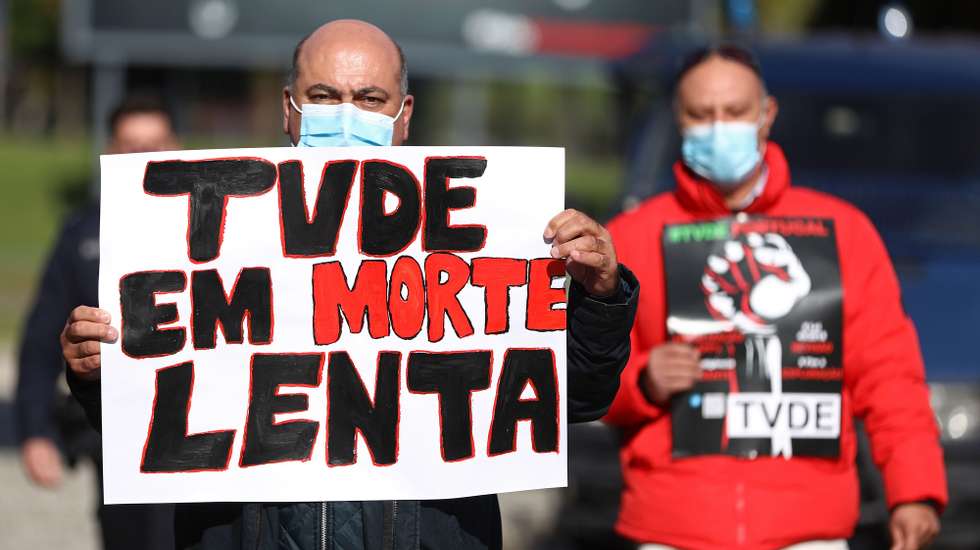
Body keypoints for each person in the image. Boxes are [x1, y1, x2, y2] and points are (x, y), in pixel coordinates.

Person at [60, 19, 639, 550]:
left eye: (368, 99)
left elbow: (583, 397)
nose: (345, 114)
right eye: (323, 97)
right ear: (289, 109)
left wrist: (599, 298)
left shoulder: (488, 229)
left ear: (403, 114)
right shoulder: (202, 228)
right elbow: (155, 423)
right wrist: (96, 374)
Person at [603, 44, 946, 550]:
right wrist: (641, 381)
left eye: (736, 111)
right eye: (702, 114)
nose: (720, 127)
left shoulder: (844, 232)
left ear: (767, 115)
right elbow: (577, 377)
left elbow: (889, 373)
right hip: (673, 524)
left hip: (810, 529)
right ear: (679, 120)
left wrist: (914, 490)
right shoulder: (631, 238)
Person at [15, 96, 178, 550]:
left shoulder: (230, 225)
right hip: (115, 435)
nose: (143, 157)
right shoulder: (82, 233)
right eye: (130, 146)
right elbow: (42, 336)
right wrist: (35, 431)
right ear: (110, 149)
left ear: (175, 146)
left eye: (154, 145)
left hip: (203, 442)